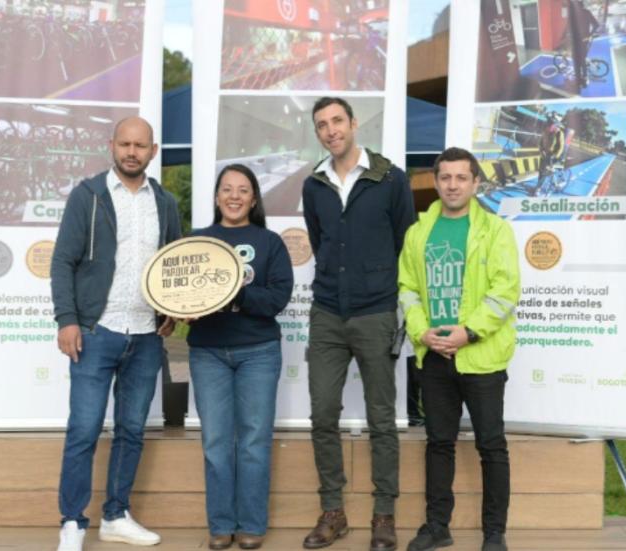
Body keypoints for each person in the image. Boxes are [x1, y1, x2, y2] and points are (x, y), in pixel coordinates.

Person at [50, 116, 183, 551]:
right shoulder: (88, 196)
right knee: (84, 430)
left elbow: (173, 266)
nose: (131, 151)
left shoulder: (165, 203)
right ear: (112, 145)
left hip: (146, 336)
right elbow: (62, 261)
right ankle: (72, 522)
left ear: (153, 151)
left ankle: (116, 515)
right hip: (95, 331)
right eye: (124, 144)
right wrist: (67, 319)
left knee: (130, 430)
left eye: (139, 145)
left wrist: (171, 311)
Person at [300, 97, 416, 551]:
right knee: (323, 414)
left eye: (337, 121)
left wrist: (391, 299)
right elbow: (320, 240)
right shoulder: (314, 185)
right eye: (322, 125)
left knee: (382, 419)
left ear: (353, 124)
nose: (331, 130)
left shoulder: (390, 179)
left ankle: (384, 516)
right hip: (327, 313)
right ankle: (333, 511)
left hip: (376, 312)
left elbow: (405, 244)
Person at [398, 147, 520, 551]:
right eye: (445, 177)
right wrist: (422, 332)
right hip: (434, 356)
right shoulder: (418, 232)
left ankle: (494, 534)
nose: (453, 185)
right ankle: (437, 526)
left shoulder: (496, 230)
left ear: (475, 183)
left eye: (461, 178)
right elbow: (409, 289)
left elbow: (505, 293)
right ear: (435, 182)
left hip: (481, 357)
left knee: (491, 445)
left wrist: (468, 332)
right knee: (438, 443)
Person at [185, 164, 294, 551]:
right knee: (215, 441)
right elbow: (179, 293)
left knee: (252, 441)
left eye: (243, 189)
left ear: (253, 198)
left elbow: (276, 300)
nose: (234, 196)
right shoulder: (196, 241)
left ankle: (251, 523)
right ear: (216, 196)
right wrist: (181, 309)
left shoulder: (270, 242)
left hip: (258, 352)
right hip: (208, 352)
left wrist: (235, 293)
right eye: (227, 189)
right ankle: (220, 524)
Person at [567, 0, 600, 90]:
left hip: (575, 42)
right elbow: (596, 25)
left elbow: (568, 29)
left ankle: (578, 82)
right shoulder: (587, 13)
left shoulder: (572, 16)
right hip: (584, 41)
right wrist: (589, 35)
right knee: (582, 60)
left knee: (577, 61)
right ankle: (584, 80)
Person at [535, 112, 566, 196]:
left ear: (555, 125)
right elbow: (540, 143)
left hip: (554, 155)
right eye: (548, 125)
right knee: (541, 172)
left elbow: (561, 147)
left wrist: (555, 156)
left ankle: (538, 189)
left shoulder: (559, 133)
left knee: (545, 171)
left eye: (551, 125)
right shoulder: (545, 131)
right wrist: (541, 151)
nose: (549, 127)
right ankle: (539, 186)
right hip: (544, 154)